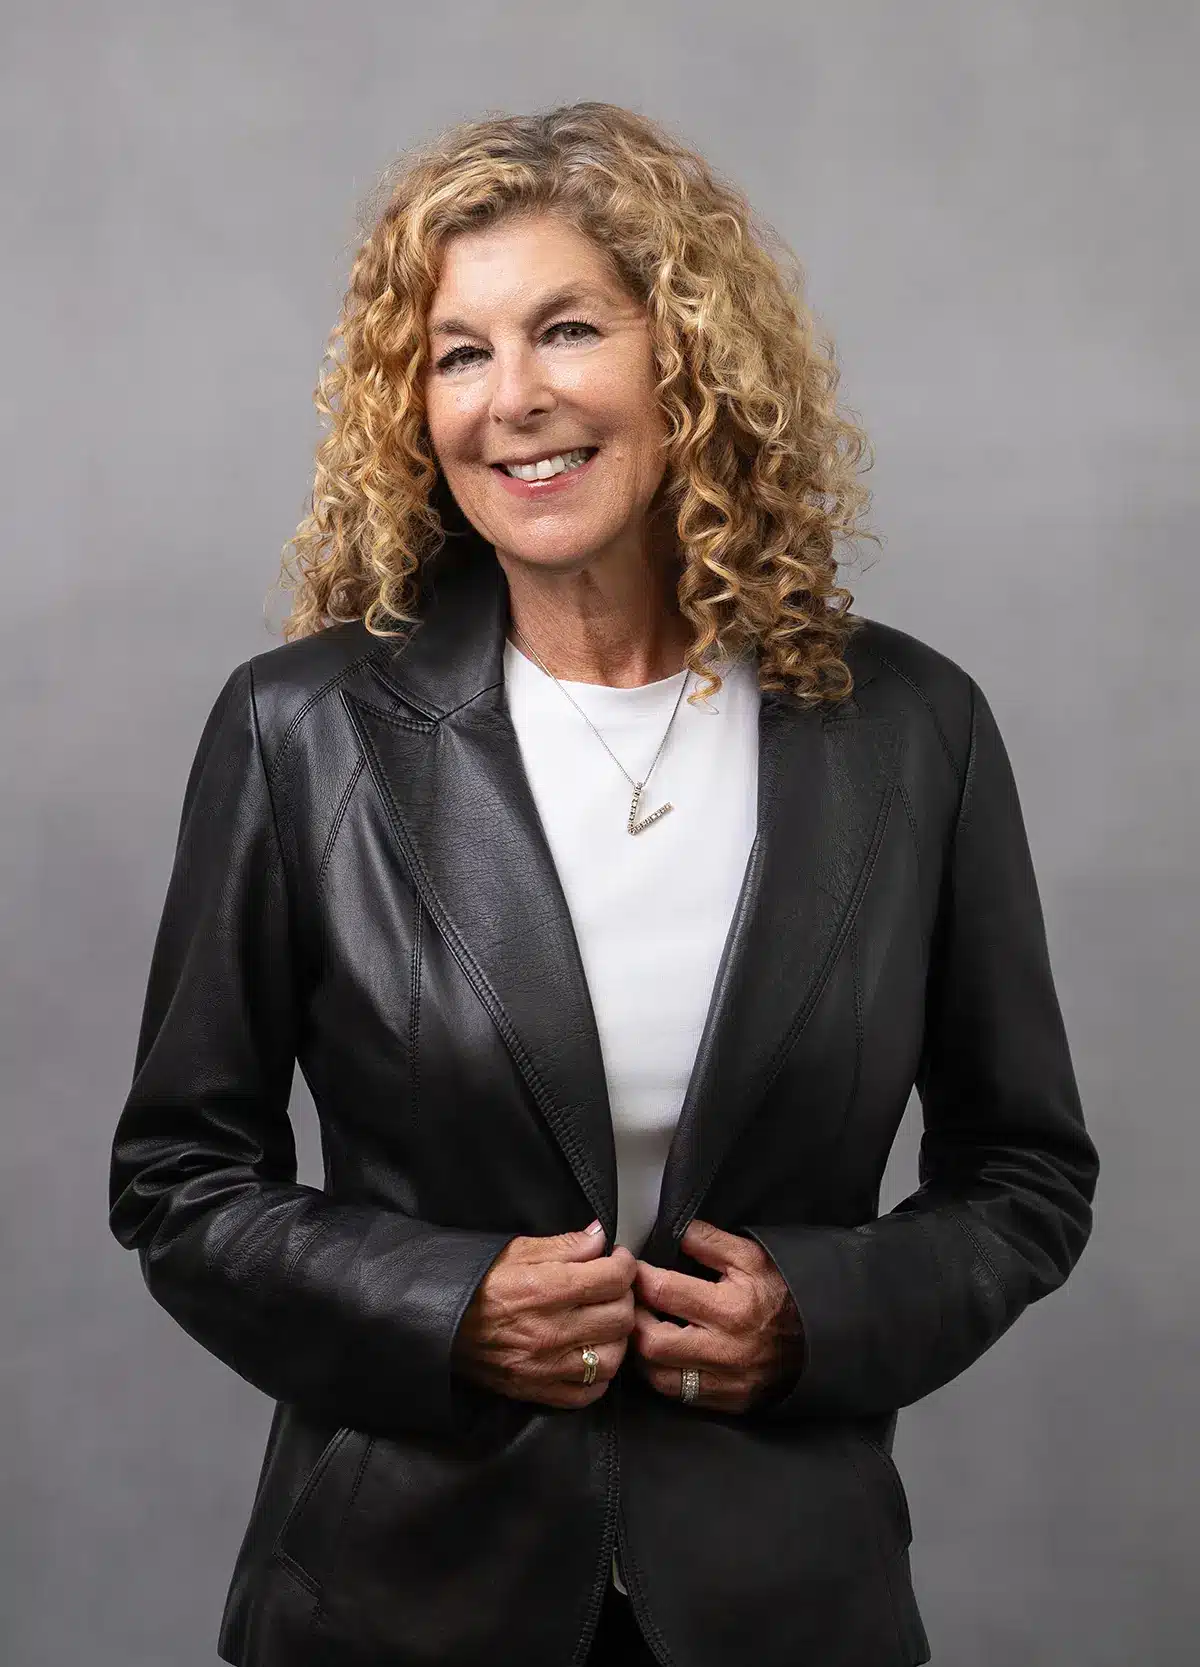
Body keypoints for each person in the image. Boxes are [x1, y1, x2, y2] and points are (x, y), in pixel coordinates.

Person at [107, 101, 1100, 1667]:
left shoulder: (912, 733)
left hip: (786, 1600)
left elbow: (1026, 1178)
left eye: (567, 328)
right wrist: (443, 1303)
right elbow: (178, 1179)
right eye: (457, 352)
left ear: (690, 360)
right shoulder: (302, 733)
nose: (513, 400)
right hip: (397, 1600)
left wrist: (818, 1317)